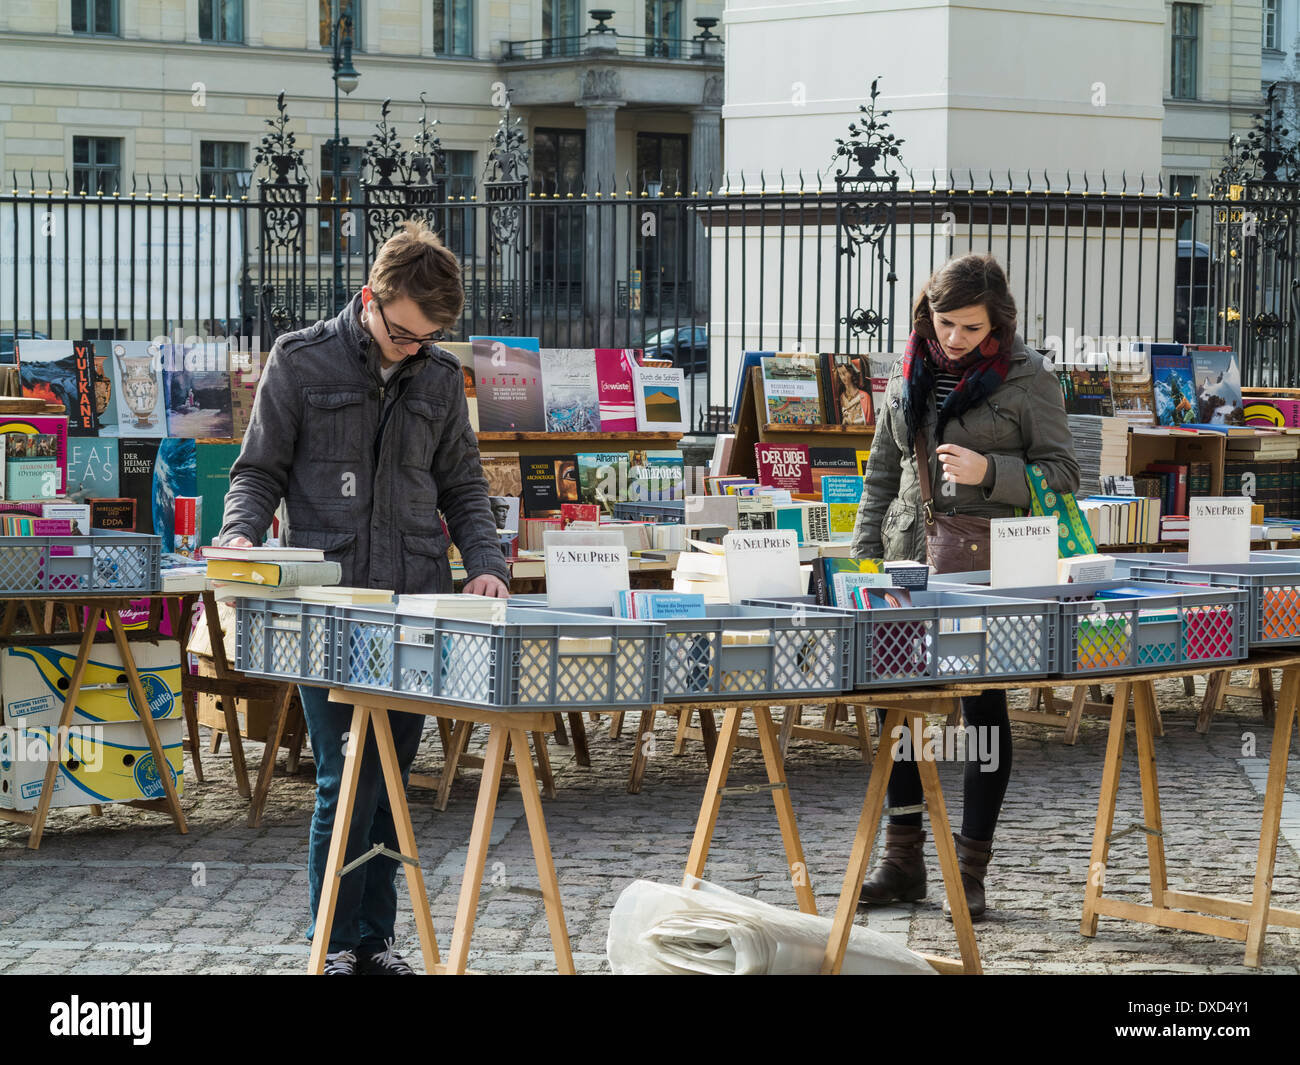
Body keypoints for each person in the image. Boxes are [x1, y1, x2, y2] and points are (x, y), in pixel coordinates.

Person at [219, 220, 510, 974]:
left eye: (429, 337)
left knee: (390, 782)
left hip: (418, 606)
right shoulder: (299, 359)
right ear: (369, 300)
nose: (416, 348)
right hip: (329, 608)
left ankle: (378, 943)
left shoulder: (442, 379)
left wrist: (488, 564)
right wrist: (242, 536)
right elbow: (257, 473)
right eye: (406, 333)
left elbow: (466, 488)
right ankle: (336, 944)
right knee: (341, 778)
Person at [850, 253, 1078, 920]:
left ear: (997, 322)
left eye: (970, 328)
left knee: (982, 712)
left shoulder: (1031, 378)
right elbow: (879, 477)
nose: (953, 338)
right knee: (896, 712)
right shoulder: (907, 370)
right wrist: (864, 563)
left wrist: (990, 472)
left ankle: (970, 869)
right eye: (945, 323)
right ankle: (902, 860)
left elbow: (1064, 475)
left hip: (987, 568)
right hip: (905, 565)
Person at [835, 359, 870, 426]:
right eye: (840, 374)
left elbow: (868, 422)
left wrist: (850, 421)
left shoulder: (864, 397)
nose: (842, 377)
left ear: (851, 372)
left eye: (844, 373)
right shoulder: (842, 397)